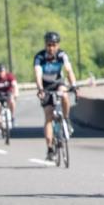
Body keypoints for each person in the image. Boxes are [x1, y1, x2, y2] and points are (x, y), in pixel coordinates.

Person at [34, 32, 78, 160]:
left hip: (58, 83)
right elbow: (37, 73)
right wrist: (40, 89)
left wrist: (74, 85)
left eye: (54, 45)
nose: (51, 48)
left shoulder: (62, 55)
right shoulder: (40, 57)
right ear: (45, 45)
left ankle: (66, 118)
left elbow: (69, 70)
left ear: (58, 45)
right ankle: (50, 149)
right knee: (48, 116)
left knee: (64, 95)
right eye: (48, 45)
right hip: (45, 86)